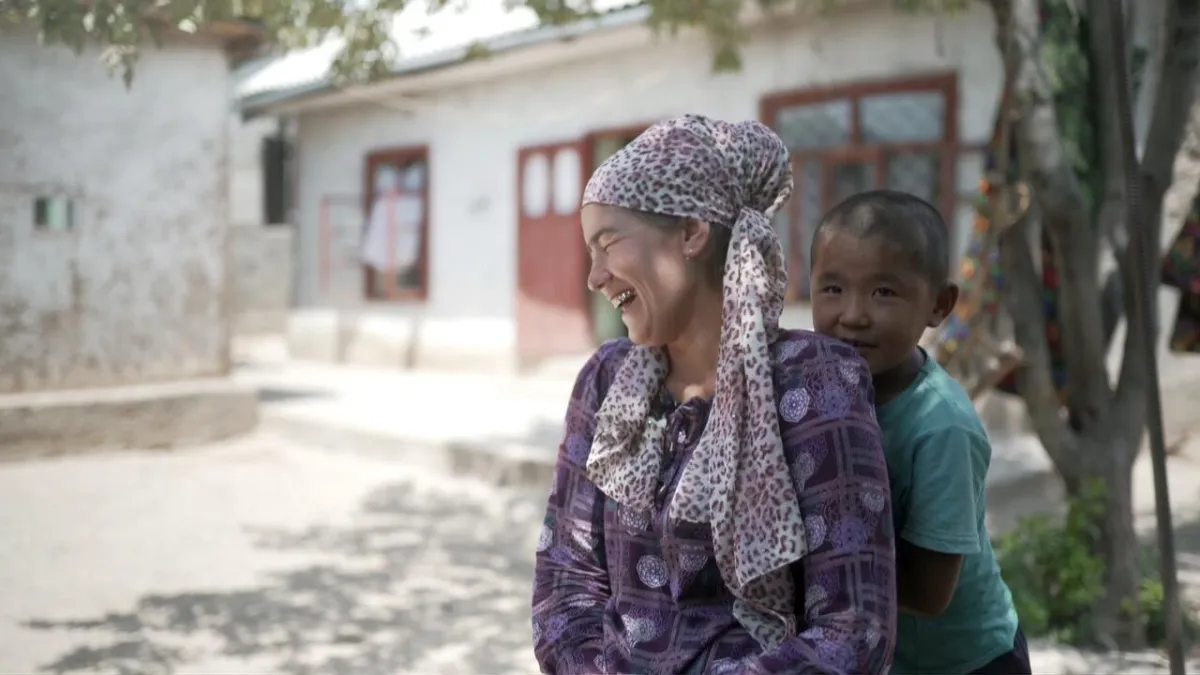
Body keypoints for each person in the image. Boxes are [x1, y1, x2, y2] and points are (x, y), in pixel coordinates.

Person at [530, 114, 897, 675]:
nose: (595, 277)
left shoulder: (815, 382)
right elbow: (565, 579)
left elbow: (854, 630)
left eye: (608, 245)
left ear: (692, 233)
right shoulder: (606, 381)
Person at [808, 189, 1029, 675]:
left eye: (884, 291)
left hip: (969, 662)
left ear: (939, 304)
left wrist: (803, 570)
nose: (853, 314)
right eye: (832, 288)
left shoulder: (941, 426)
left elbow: (929, 594)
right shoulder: (812, 392)